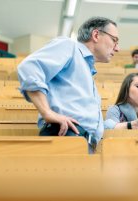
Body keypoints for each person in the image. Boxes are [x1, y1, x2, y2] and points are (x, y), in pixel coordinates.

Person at [17, 17, 119, 152]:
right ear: (96, 35)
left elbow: (90, 123)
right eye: (114, 40)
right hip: (67, 137)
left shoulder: (87, 71)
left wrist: (131, 124)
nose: (117, 48)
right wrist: (47, 113)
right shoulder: (69, 46)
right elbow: (29, 68)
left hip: (84, 143)